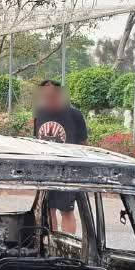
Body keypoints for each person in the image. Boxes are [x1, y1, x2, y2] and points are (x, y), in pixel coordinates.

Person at [31, 78, 87, 232]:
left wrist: (80, 169)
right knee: (48, 210)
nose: (47, 99)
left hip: (67, 172)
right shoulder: (39, 113)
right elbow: (37, 140)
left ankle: (67, 243)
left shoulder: (74, 115)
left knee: (66, 211)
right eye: (44, 96)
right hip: (45, 172)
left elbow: (84, 144)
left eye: (51, 96)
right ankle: (51, 242)